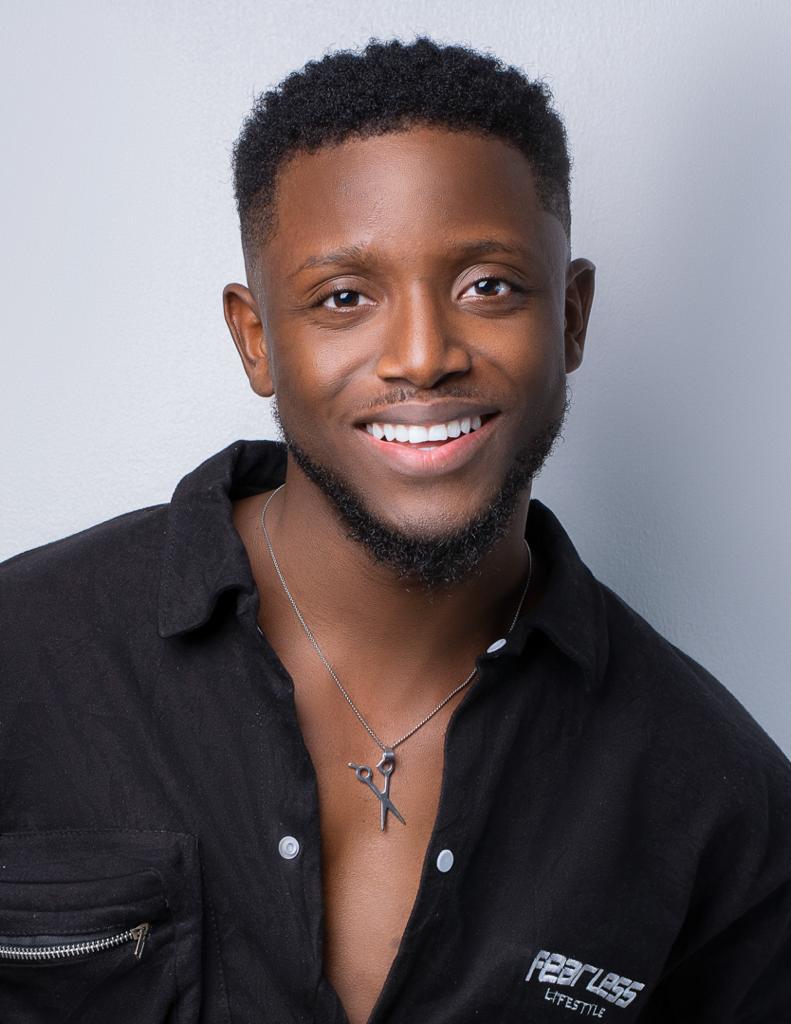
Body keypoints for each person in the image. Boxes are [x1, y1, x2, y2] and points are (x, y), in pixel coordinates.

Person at [0, 36, 789, 1024]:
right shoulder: (25, 659)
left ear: (571, 318)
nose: (421, 355)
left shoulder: (718, 799)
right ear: (256, 338)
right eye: (343, 298)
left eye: (486, 285)